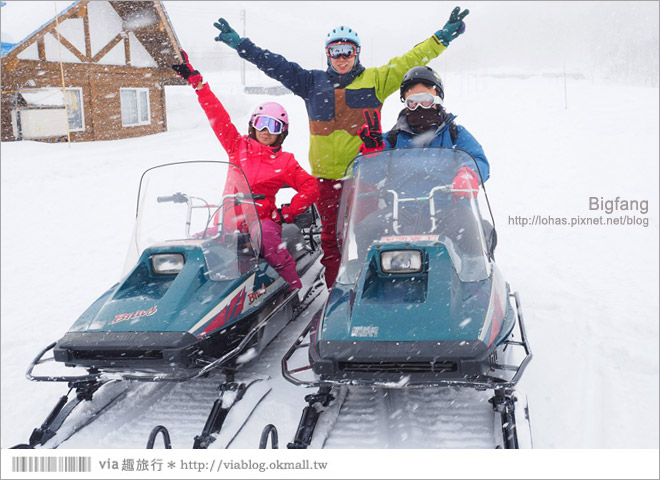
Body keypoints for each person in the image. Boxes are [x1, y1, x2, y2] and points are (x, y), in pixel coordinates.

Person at [212, 7, 470, 290]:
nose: (342, 57)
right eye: (336, 51)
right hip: (326, 180)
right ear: (328, 54)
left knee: (367, 233)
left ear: (357, 53)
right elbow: (274, 63)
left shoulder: (376, 80)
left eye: (348, 51)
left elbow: (409, 60)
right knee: (331, 241)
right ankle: (338, 290)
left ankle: (373, 287)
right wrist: (241, 46)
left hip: (365, 177)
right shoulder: (311, 83)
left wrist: (441, 38)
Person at [172, 51, 319, 291]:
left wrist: (287, 213)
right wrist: (198, 84)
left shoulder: (285, 161)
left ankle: (294, 288)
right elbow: (218, 117)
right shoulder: (236, 146)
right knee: (195, 246)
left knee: (270, 244)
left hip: (262, 223)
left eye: (273, 126)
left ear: (282, 132)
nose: (265, 130)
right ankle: (190, 296)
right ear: (252, 125)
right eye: (260, 122)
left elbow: (311, 186)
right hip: (228, 224)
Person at [355, 65, 491, 262]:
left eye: (426, 100)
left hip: (448, 209)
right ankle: (367, 278)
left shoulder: (454, 134)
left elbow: (477, 159)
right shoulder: (391, 140)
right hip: (401, 212)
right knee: (367, 229)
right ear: (405, 104)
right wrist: (371, 155)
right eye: (413, 102)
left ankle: (475, 276)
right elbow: (366, 176)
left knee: (468, 228)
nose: (420, 108)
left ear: (437, 100)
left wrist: (468, 173)